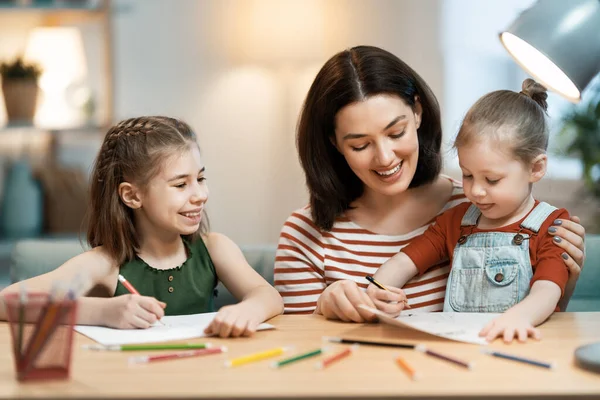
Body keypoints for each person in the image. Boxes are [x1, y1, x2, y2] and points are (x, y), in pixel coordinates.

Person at [274, 45, 586, 322]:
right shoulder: (304, 234)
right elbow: (299, 358)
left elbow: (545, 306)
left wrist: (563, 282)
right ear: (335, 143)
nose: (384, 157)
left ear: (418, 113)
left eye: (396, 133)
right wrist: (326, 308)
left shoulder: (466, 206)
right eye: (360, 145)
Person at [0, 116, 283, 337]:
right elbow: (9, 301)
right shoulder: (106, 264)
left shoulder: (215, 249)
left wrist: (249, 310)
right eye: (181, 184)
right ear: (132, 195)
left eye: (201, 179)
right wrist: (102, 312)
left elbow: (268, 295)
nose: (200, 195)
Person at [368, 79, 568, 343]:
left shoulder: (552, 225)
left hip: (520, 345)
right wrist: (378, 289)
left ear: (535, 169)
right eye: (467, 175)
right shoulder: (456, 221)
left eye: (492, 180)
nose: (476, 191)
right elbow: (405, 262)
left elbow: (548, 289)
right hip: (460, 348)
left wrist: (520, 317)